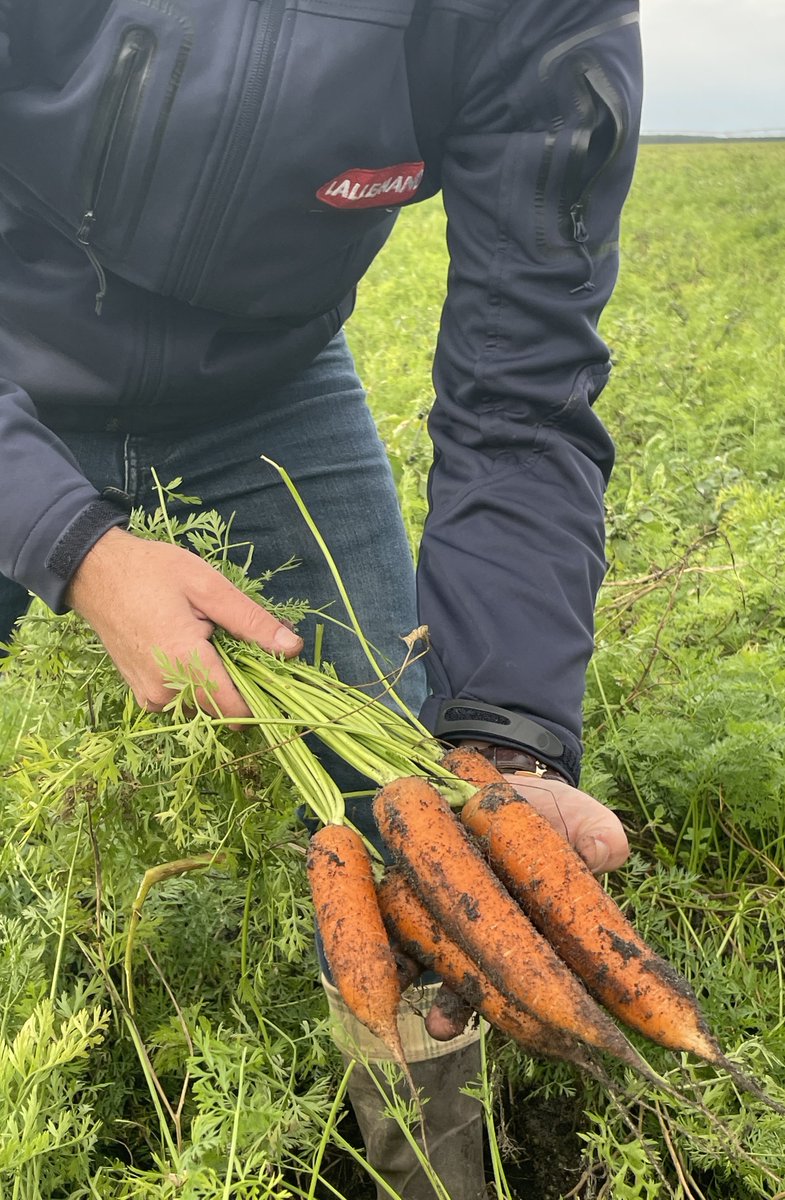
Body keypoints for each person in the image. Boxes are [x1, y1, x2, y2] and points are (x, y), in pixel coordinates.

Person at [0, 0, 642, 1195]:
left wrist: (504, 735)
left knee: (419, 822)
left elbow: (523, 393)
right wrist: (68, 539)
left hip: (263, 384)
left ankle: (430, 1172)